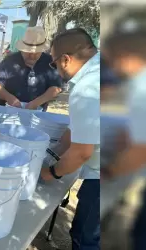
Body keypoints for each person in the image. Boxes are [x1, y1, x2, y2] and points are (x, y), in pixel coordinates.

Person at [39, 28, 100, 250]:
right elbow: (77, 129)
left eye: (53, 63)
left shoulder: (87, 87)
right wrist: (52, 153)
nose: (55, 69)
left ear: (65, 59)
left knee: (85, 238)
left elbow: (82, 152)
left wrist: (50, 172)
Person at [100, 25, 146, 250]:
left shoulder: (141, 89)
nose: (114, 67)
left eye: (114, 59)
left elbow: (140, 151)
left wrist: (108, 172)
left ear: (127, 56)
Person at [0, 26, 62, 111]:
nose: (32, 56)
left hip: (36, 113)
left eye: (36, 53)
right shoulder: (9, 61)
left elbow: (55, 88)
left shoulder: (50, 62)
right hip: (5, 111)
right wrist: (10, 98)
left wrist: (35, 103)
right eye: (28, 52)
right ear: (22, 49)